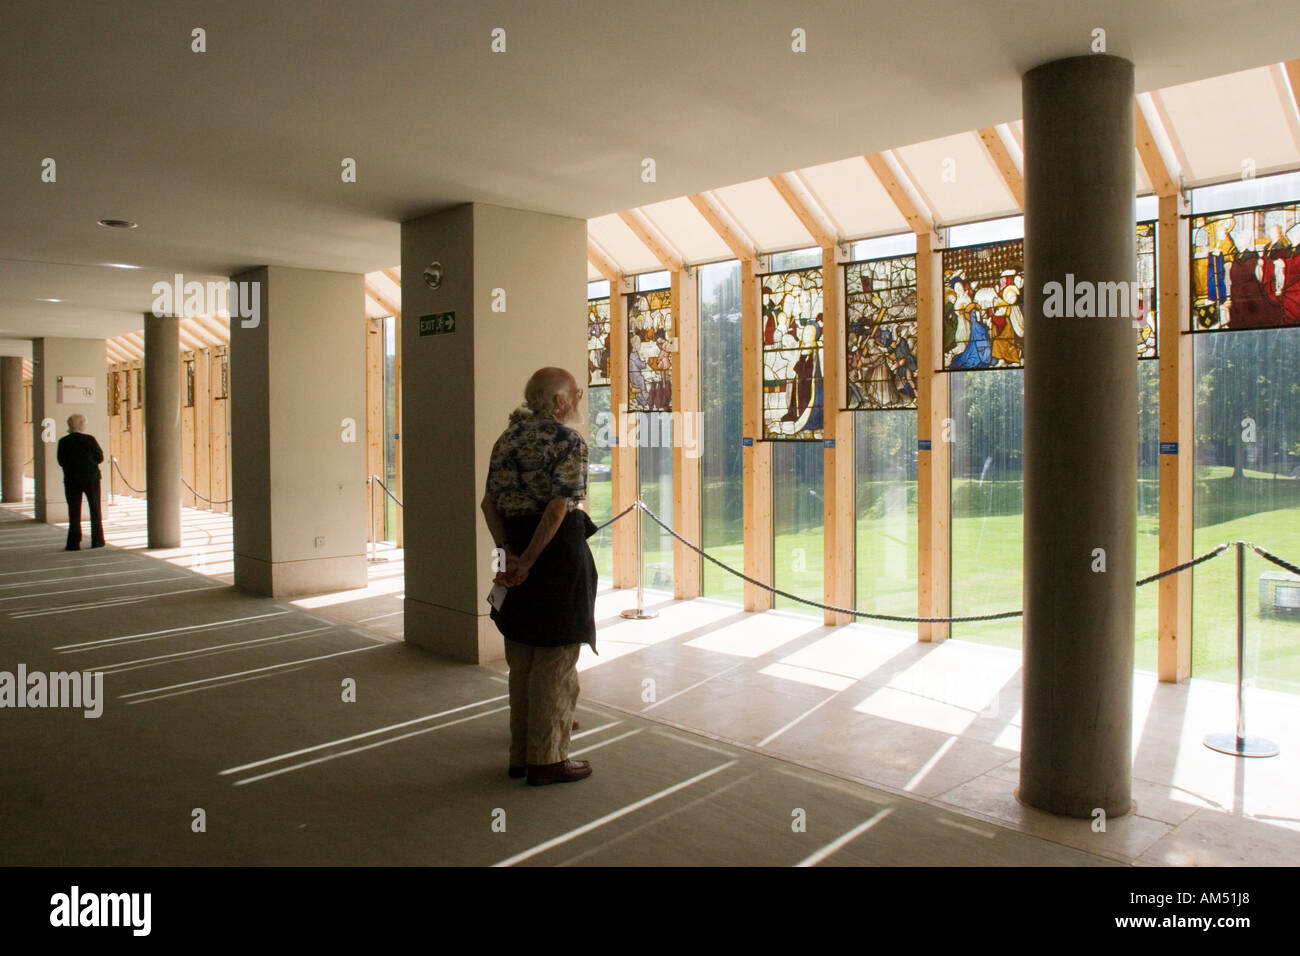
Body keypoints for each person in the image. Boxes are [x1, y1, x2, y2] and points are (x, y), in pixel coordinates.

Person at [481, 367, 599, 786]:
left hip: (516, 552)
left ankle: (521, 756)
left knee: (524, 657)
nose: (579, 401)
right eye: (576, 395)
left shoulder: (506, 439)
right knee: (556, 658)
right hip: (555, 560)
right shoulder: (568, 441)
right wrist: (529, 560)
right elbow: (556, 509)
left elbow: (488, 504)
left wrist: (507, 555)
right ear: (558, 402)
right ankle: (547, 761)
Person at [56, 414, 105, 551]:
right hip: (91, 478)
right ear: (80, 424)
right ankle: (97, 540)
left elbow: (61, 461)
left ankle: (73, 542)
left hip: (72, 480)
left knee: (74, 511)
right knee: (95, 509)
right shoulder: (89, 440)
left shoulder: (63, 442)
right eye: (84, 423)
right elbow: (100, 457)